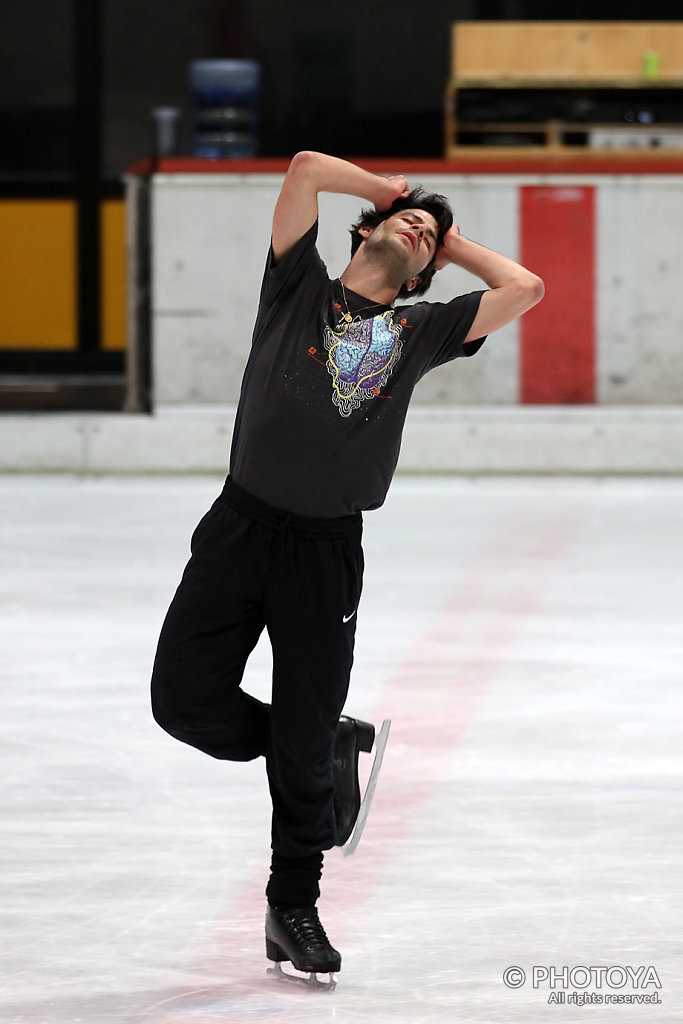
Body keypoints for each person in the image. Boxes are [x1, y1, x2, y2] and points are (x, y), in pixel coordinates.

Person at [151, 150, 544, 982]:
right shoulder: (296, 288)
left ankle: (292, 905)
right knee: (182, 701)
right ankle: (317, 743)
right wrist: (386, 194)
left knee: (296, 739)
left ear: (421, 276)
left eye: (426, 237)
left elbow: (525, 289)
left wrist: (450, 245)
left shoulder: (422, 330)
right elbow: (299, 172)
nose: (416, 229)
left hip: (324, 555)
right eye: (407, 222)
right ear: (362, 233)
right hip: (237, 528)